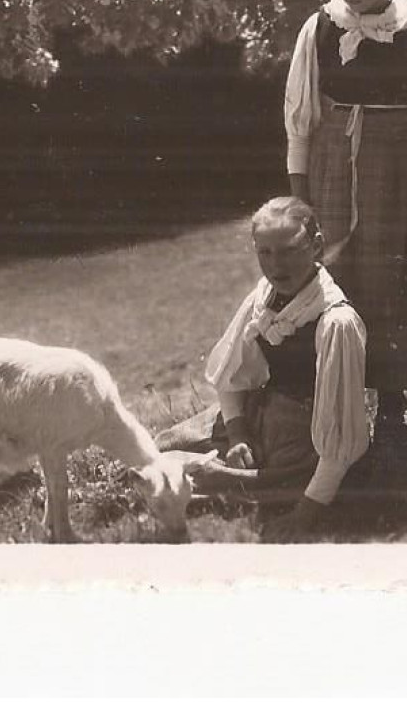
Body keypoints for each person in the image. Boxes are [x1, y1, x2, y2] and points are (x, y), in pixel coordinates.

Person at [284, 0, 407, 479]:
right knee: (332, 288)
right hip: (333, 171)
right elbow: (302, 116)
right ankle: (329, 419)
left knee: (390, 283)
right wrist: (299, 190)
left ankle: (391, 419)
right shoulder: (320, 27)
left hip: (395, 177)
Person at [156, 196, 370, 542]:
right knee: (163, 446)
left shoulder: (335, 321)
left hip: (307, 438)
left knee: (200, 478)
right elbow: (232, 370)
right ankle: (226, 459)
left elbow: (341, 435)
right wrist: (239, 433)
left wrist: (304, 516)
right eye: (265, 253)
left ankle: (243, 478)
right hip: (262, 412)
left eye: (288, 250)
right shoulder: (264, 297)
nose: (276, 265)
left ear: (316, 246)